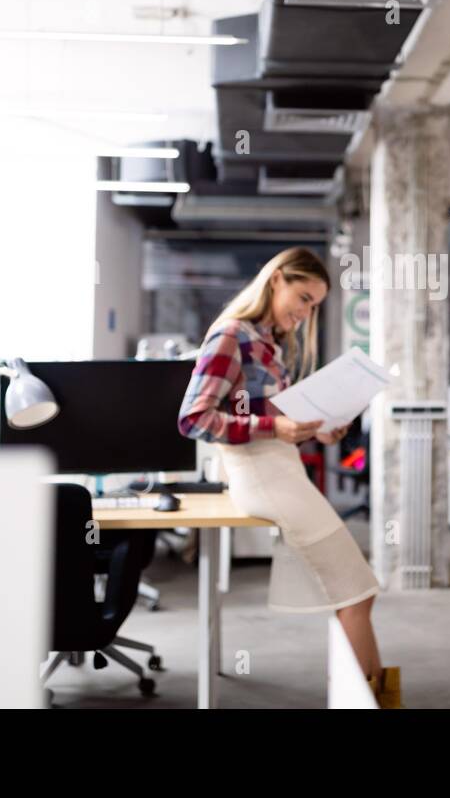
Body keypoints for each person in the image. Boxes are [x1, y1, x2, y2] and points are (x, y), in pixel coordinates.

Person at [178, 246, 399, 707]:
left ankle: (374, 696)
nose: (304, 312)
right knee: (357, 591)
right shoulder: (231, 336)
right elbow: (194, 419)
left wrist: (318, 426)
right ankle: (375, 701)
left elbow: (272, 420)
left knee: (357, 592)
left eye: (313, 305)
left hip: (283, 469)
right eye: (302, 297)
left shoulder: (270, 344)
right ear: (275, 279)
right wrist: (273, 427)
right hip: (261, 476)